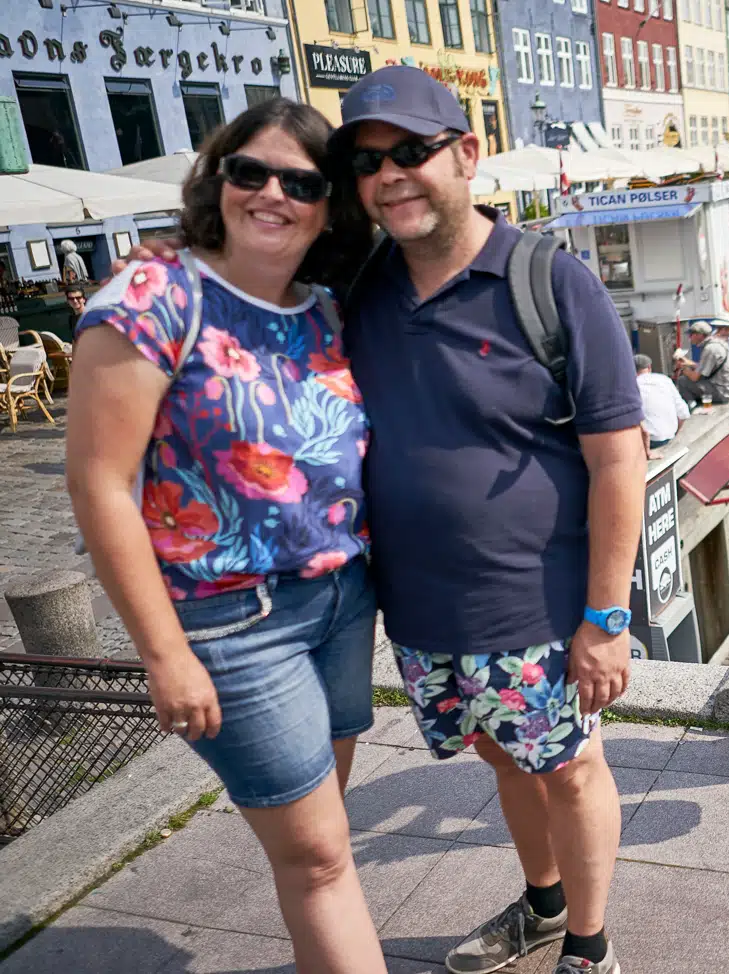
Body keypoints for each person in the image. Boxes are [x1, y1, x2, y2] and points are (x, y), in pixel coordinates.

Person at [331, 66, 645, 974]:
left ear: (467, 154)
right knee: (503, 759)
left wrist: (607, 617)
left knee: (570, 767)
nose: (389, 175)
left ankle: (588, 946)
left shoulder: (551, 281)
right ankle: (544, 906)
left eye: (411, 152)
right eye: (367, 162)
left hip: (540, 605)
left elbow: (617, 457)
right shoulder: (363, 289)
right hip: (423, 609)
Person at [69, 99, 382, 974]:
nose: (273, 193)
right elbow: (98, 486)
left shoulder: (326, 310)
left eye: (302, 183)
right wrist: (164, 655)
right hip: (230, 622)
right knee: (319, 856)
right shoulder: (153, 297)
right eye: (251, 172)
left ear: (329, 207)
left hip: (341, 601)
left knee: (320, 844)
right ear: (218, 181)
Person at [675, 321, 729, 408]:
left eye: (691, 335)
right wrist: (688, 362)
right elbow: (707, 366)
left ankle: (692, 407)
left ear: (699, 335)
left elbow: (694, 377)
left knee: (682, 381)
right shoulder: (716, 343)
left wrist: (683, 368)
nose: (690, 338)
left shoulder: (709, 349)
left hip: (723, 393)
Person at [635, 352, 689, 452]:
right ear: (649, 367)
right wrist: (673, 434)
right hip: (669, 437)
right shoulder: (665, 380)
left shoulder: (631, 385)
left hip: (646, 442)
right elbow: (684, 414)